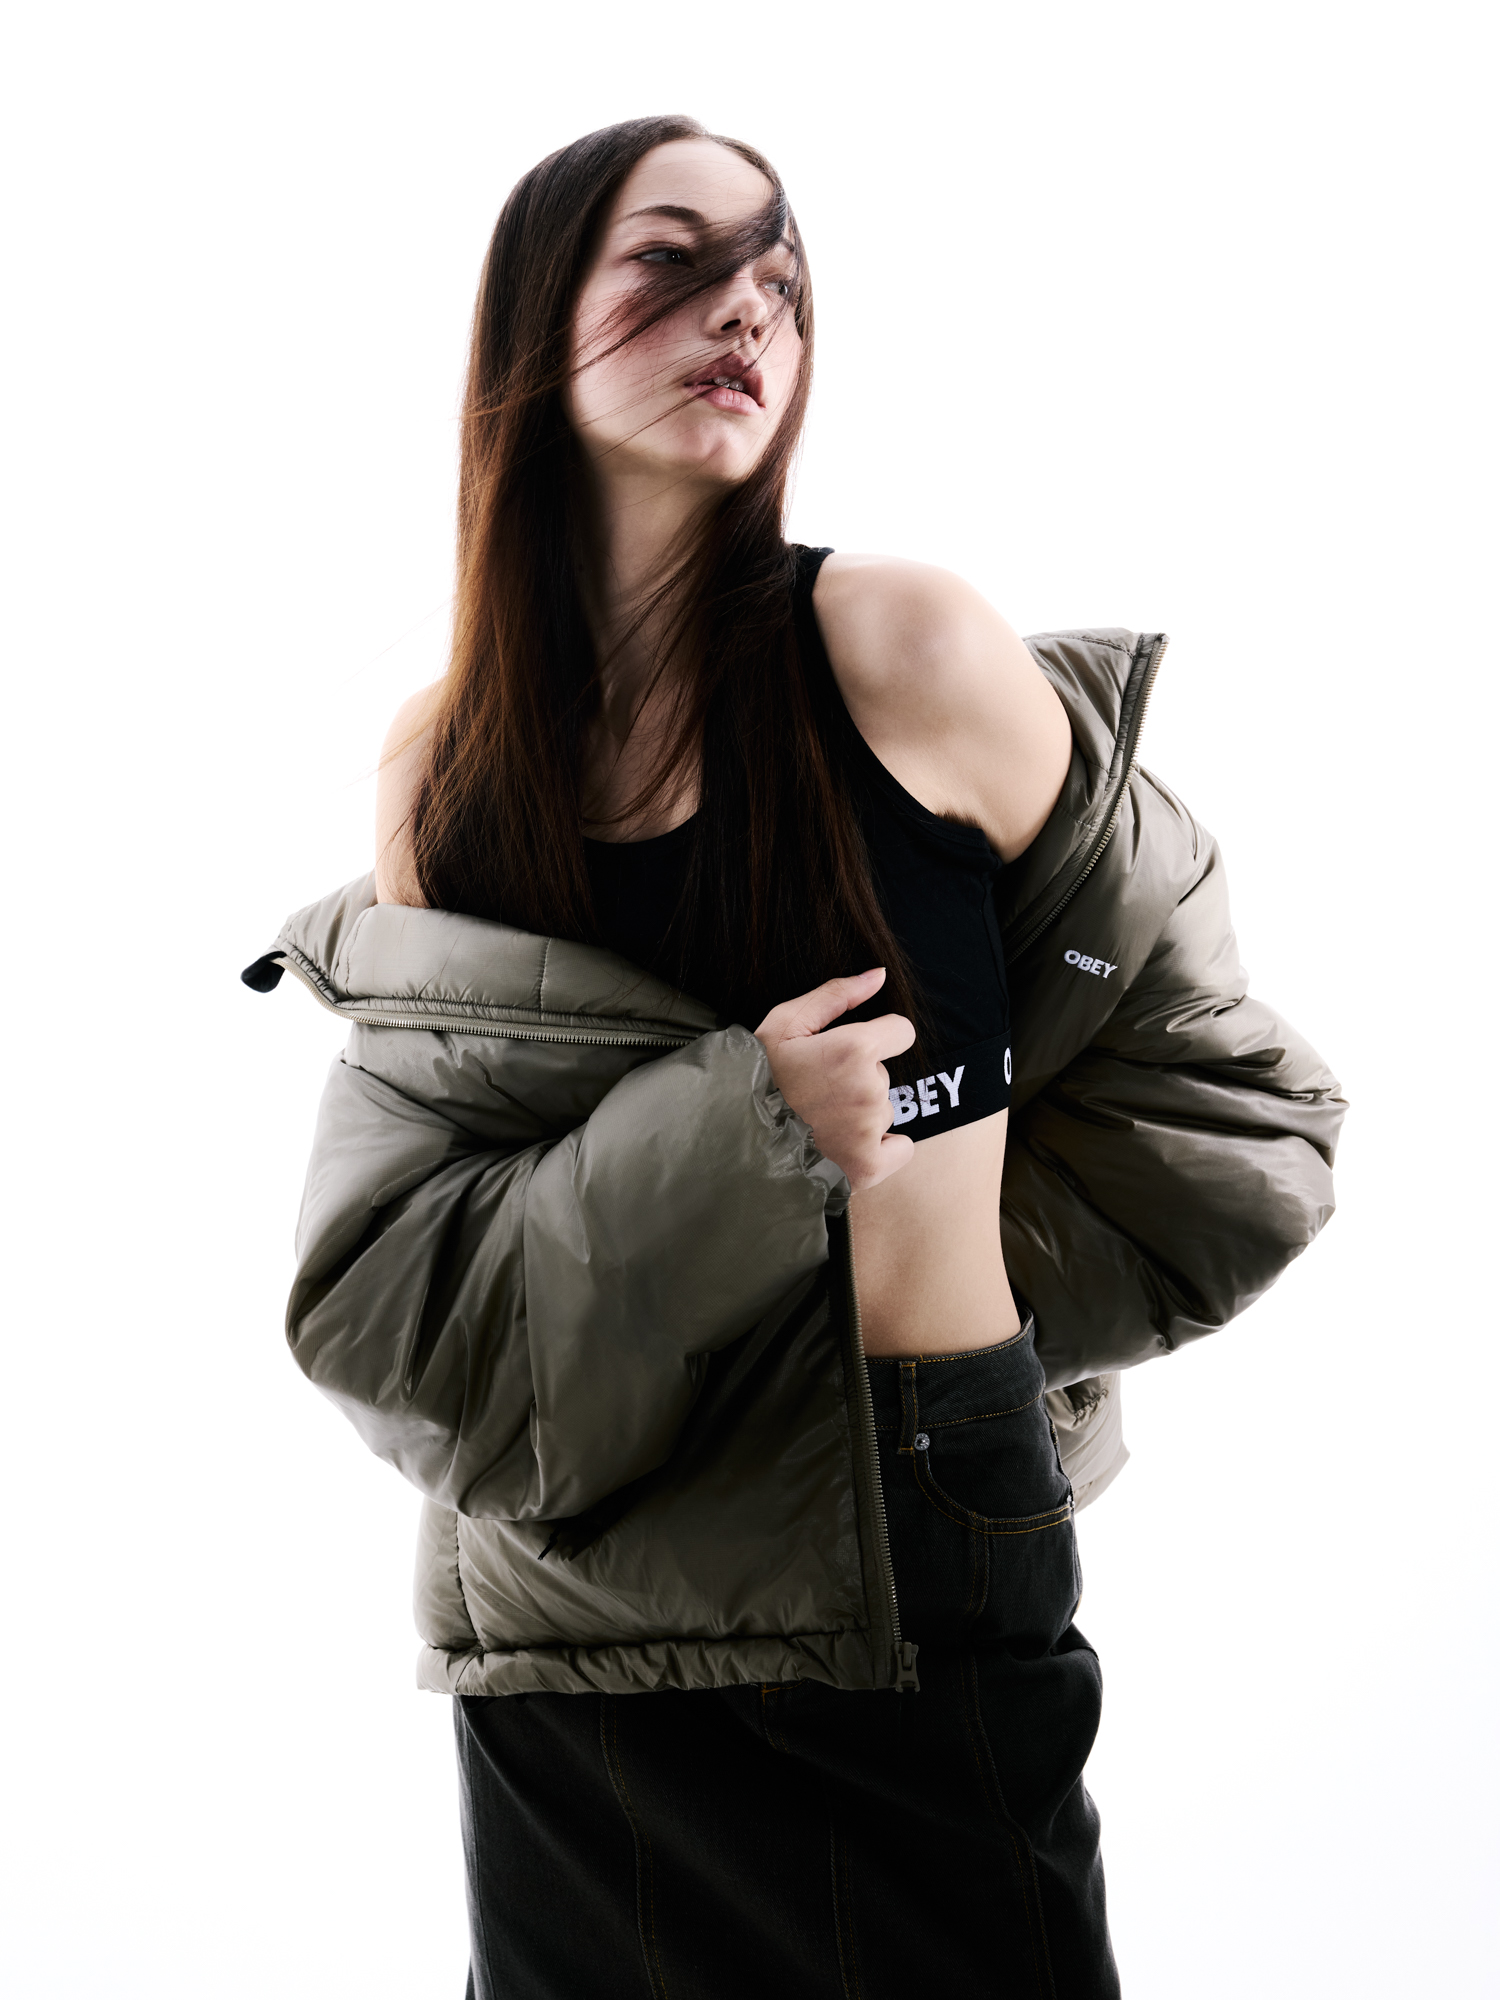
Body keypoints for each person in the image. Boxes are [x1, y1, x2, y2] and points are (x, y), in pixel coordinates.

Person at [244, 115, 1345, 2000]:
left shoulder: (903, 647)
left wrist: (963, 1316)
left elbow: (1233, 1106)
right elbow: (397, 1312)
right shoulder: (450, 773)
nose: (746, 307)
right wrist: (748, 1129)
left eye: (781, 279)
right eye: (672, 262)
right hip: (577, 1611)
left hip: (926, 1532)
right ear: (533, 322)